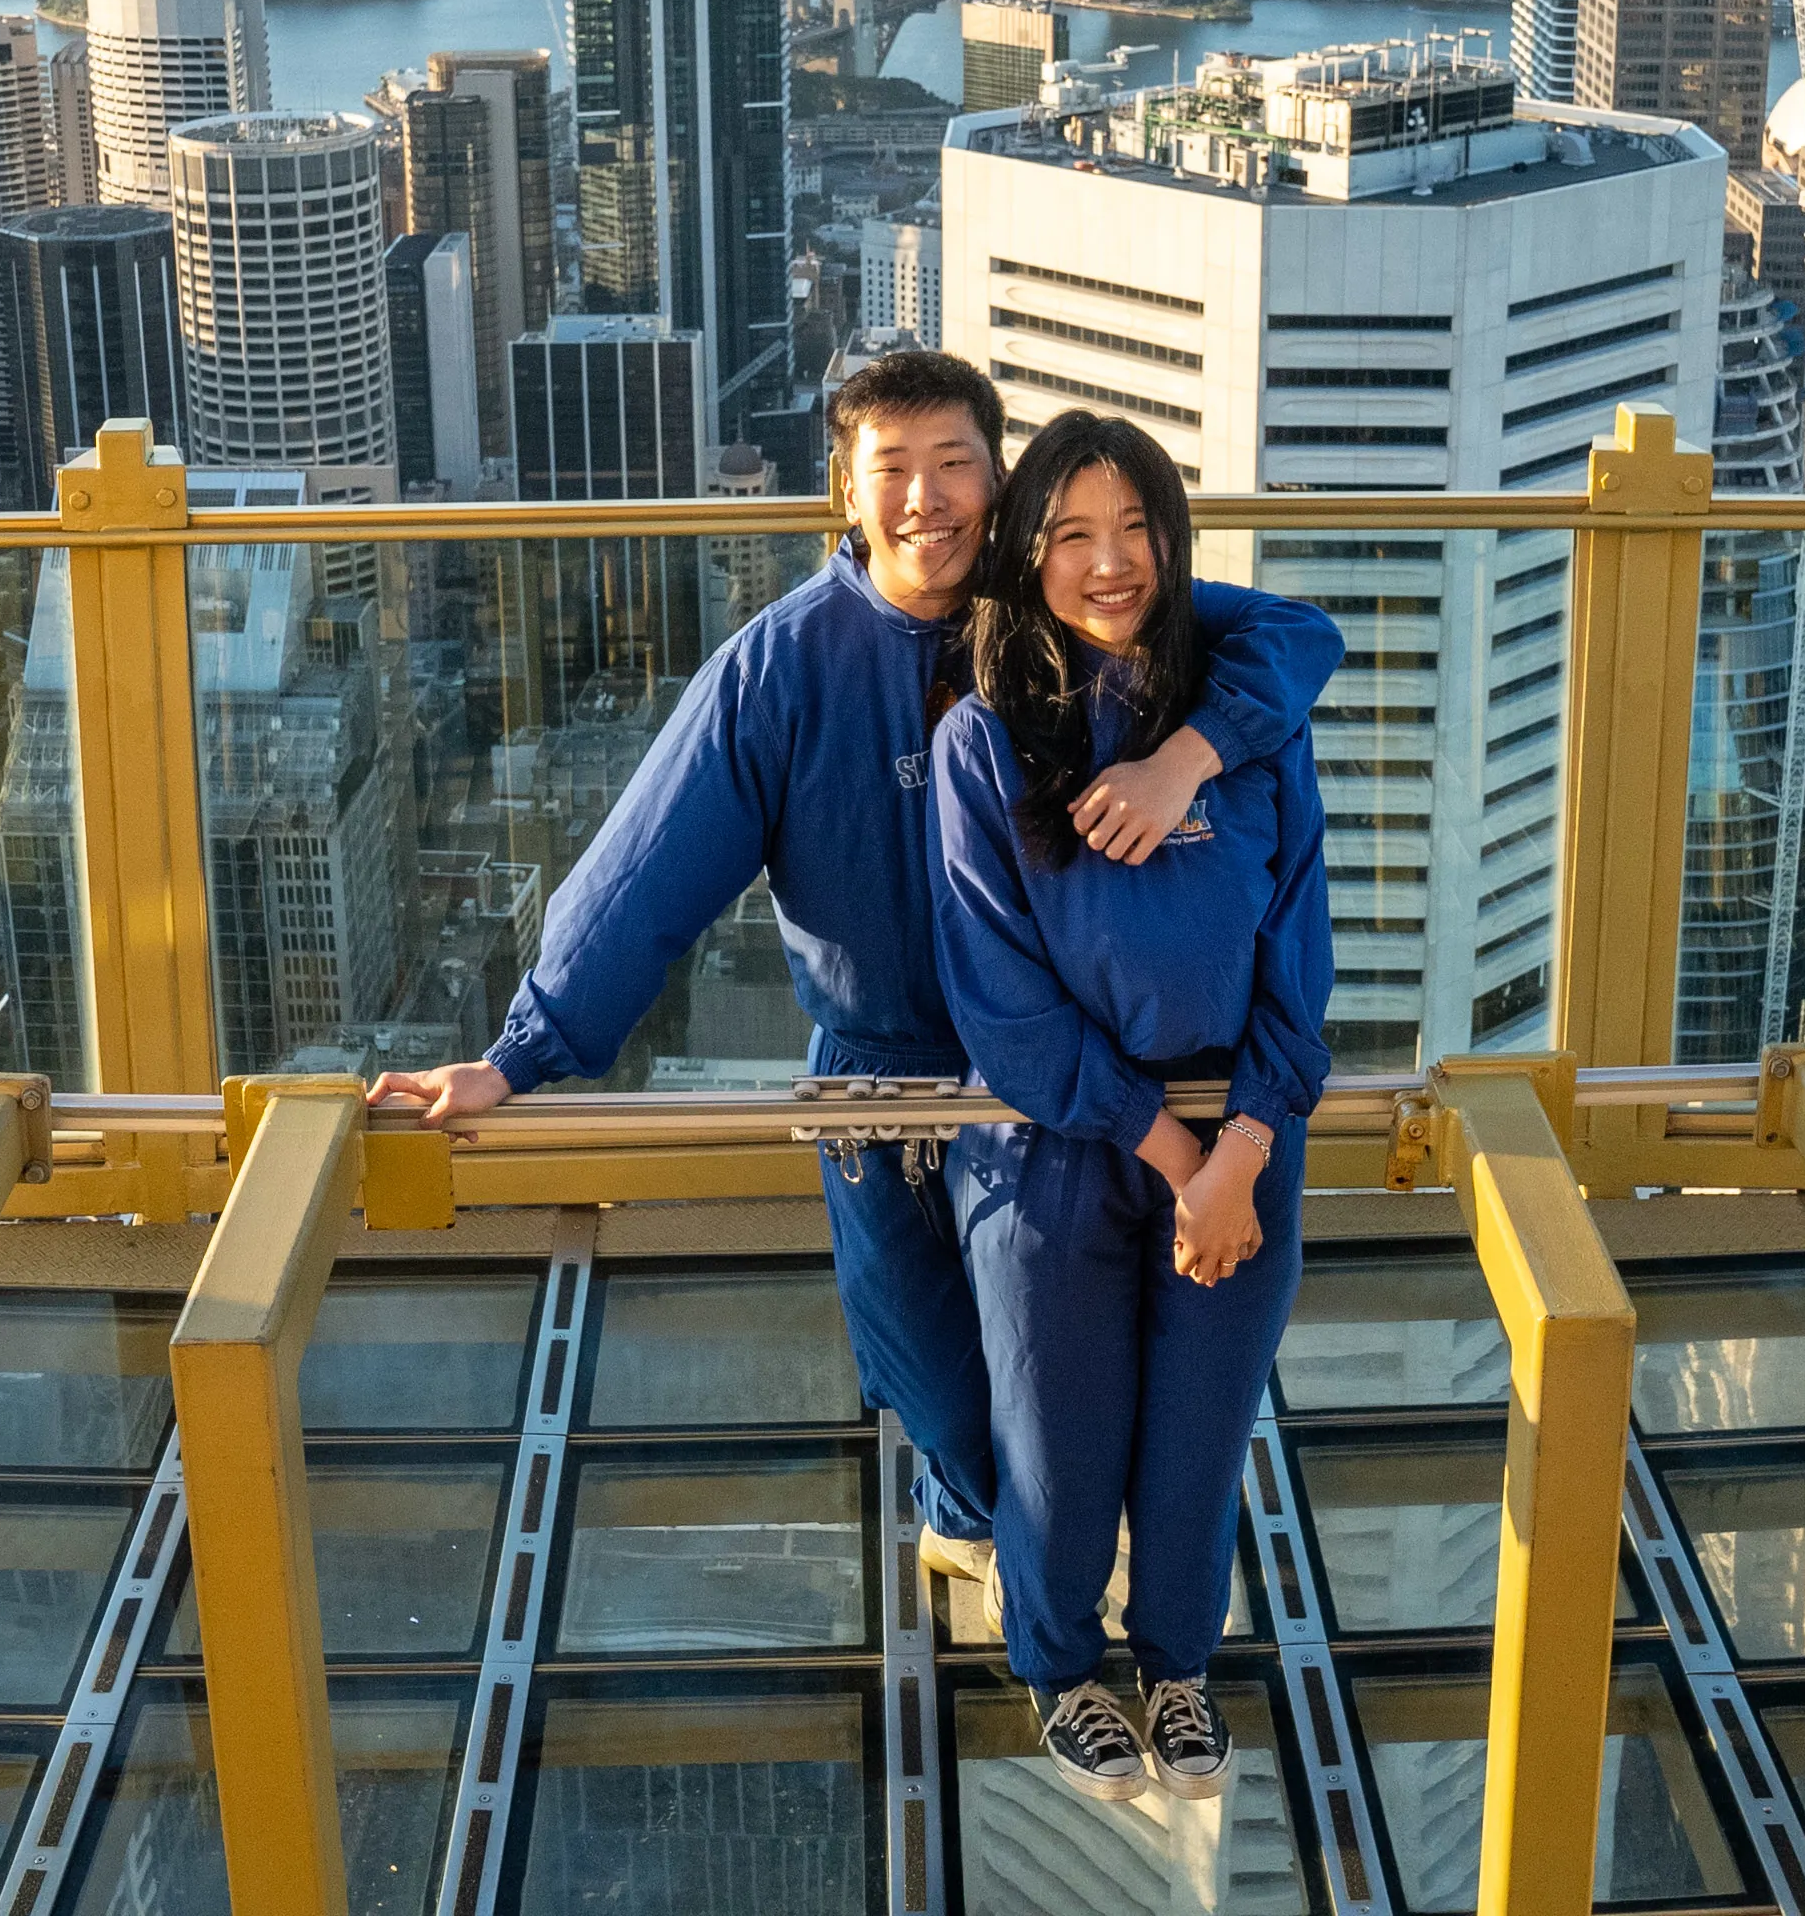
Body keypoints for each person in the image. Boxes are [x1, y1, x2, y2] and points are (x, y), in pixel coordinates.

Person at [371, 352, 1342, 1590]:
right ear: (845, 491)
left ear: (1001, 483)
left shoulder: (1071, 612)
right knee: (933, 1366)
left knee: (1072, 1374)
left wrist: (1191, 756)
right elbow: (645, 874)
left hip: (1065, 1079)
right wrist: (522, 1055)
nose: (925, 500)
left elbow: (1297, 638)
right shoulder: (782, 668)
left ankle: (1071, 1587)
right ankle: (985, 1536)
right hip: (883, 1076)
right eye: (892, 470)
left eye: (955, 466)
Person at [930, 411, 1331, 1802]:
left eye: (1138, 528)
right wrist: (1175, 1157)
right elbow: (1002, 1004)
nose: (1111, 564)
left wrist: (1245, 1149)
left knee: (1201, 1432)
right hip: (1060, 1149)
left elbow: (1301, 955)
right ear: (1028, 555)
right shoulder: (987, 745)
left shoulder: (1245, 724)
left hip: (1244, 1139)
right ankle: (1057, 1665)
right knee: (1060, 1432)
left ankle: (1174, 1665)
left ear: (1175, 538)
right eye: (1073, 535)